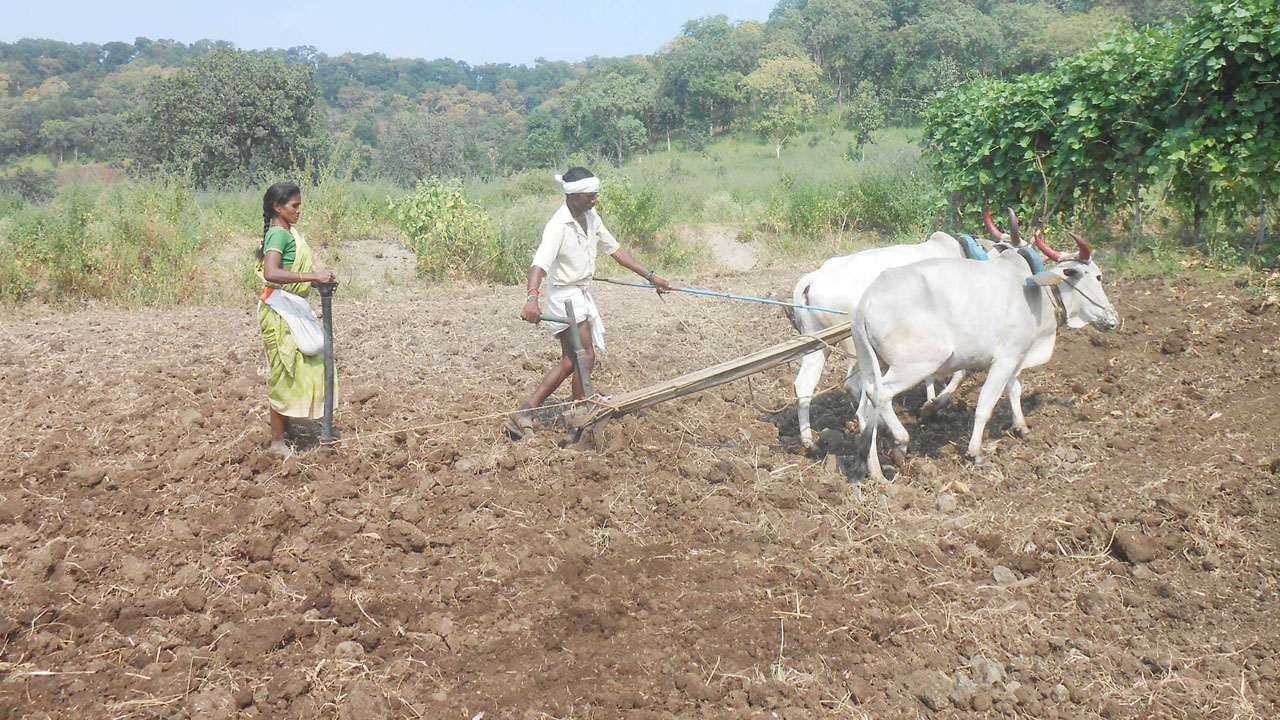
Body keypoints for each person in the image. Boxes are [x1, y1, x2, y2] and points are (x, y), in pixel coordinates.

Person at [507, 167, 672, 438]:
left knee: (572, 360)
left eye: (595, 195)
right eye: (589, 196)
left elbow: (614, 248)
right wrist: (531, 297)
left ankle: (527, 411)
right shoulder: (558, 225)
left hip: (579, 292)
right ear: (573, 196)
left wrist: (650, 276)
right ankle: (579, 416)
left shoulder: (590, 216)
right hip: (564, 295)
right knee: (585, 356)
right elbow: (539, 264)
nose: (594, 200)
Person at [256, 182, 338, 455]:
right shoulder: (278, 235)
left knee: (301, 366)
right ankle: (277, 441)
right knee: (284, 370)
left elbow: (290, 272)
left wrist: (316, 283)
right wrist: (312, 276)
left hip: (293, 305)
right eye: (294, 206)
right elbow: (272, 272)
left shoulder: (290, 232)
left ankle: (288, 429)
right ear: (277, 208)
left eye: (300, 205)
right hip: (280, 310)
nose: (299, 210)